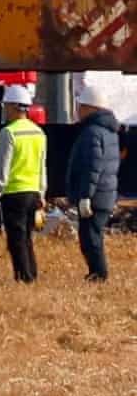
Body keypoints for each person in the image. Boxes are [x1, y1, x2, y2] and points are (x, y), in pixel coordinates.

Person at [0, 99, 50, 282]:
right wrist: (42, 193)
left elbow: (1, 169)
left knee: (16, 240)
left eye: (6, 106)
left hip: (13, 193)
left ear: (12, 107)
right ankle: (31, 274)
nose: (4, 110)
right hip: (32, 192)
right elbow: (42, 167)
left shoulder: (8, 133)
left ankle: (24, 277)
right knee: (26, 237)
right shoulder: (38, 132)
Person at [77, 98, 121, 286]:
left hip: (95, 194)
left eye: (81, 106)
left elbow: (92, 167)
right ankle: (96, 273)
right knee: (93, 234)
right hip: (105, 192)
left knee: (90, 236)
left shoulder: (92, 132)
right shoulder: (109, 132)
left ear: (90, 108)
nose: (78, 110)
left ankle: (98, 275)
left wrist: (86, 195)